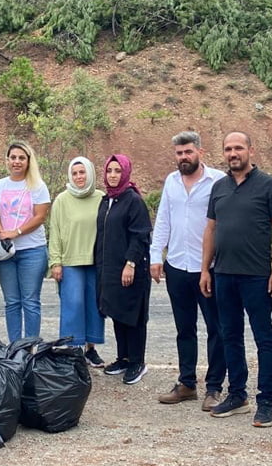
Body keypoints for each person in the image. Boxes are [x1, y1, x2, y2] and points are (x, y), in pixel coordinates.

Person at [199, 131, 272, 428]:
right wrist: (205, 269)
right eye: (228, 149)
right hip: (223, 274)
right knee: (230, 336)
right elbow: (211, 230)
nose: (233, 153)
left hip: (257, 275)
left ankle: (266, 401)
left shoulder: (268, 185)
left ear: (251, 150)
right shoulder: (219, 187)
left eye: (238, 148)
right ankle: (237, 395)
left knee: (264, 338)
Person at [151, 131, 229, 407]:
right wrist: (155, 256)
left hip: (207, 267)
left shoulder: (218, 180)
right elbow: (163, 220)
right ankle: (186, 383)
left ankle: (214, 387)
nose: (183, 157)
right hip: (177, 265)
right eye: (179, 153)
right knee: (184, 328)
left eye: (188, 152)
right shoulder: (172, 181)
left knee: (215, 328)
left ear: (200, 152)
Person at [95, 155, 153, 385]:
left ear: (125, 173)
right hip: (109, 268)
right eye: (109, 170)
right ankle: (124, 357)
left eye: (118, 171)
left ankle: (137, 362)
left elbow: (140, 235)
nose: (113, 175)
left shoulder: (133, 200)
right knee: (118, 312)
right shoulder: (106, 200)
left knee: (134, 315)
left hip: (131, 268)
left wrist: (131, 263)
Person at [0, 142, 51, 341]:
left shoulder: (38, 186)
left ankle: (30, 346)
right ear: (7, 160)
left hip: (32, 250)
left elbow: (40, 217)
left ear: (28, 161)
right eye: (13, 157)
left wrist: (15, 232)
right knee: (12, 302)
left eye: (21, 158)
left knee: (30, 301)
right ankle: (15, 346)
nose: (17, 161)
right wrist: (3, 234)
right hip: (7, 252)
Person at [48, 156, 106, 368]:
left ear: (90, 173)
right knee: (73, 304)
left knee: (94, 305)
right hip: (70, 261)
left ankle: (90, 349)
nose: (79, 177)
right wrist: (55, 262)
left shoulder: (101, 197)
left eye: (82, 172)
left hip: (96, 262)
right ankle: (72, 350)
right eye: (75, 173)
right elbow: (55, 232)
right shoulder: (62, 200)